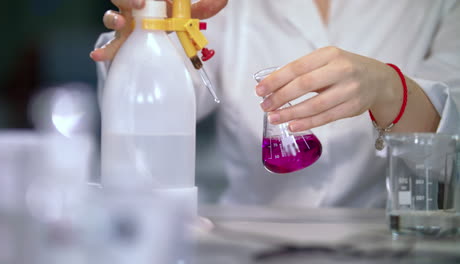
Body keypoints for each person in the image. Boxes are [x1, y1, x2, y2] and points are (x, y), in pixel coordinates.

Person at [91, 0, 460, 208]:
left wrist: (388, 88)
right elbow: (157, 114)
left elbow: (450, 137)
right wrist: (145, 41)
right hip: (249, 246)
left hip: (386, 243)